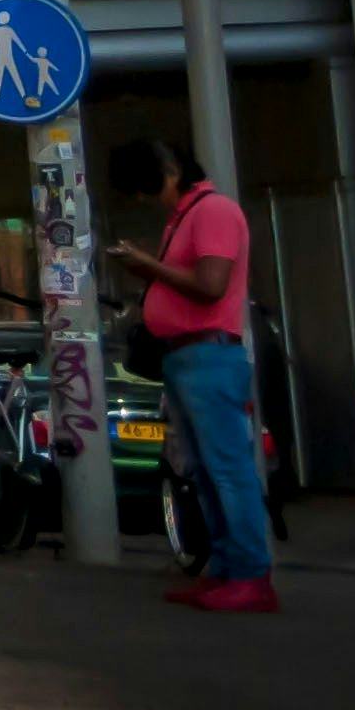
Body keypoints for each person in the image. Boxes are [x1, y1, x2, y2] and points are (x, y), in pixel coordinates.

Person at [110, 134, 273, 613]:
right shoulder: (184, 218)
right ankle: (225, 566)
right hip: (186, 355)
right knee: (202, 469)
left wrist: (149, 266)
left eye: (147, 188)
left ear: (171, 172)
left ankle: (250, 573)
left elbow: (210, 285)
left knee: (227, 468)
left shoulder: (213, 212)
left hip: (209, 354)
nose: (147, 199)